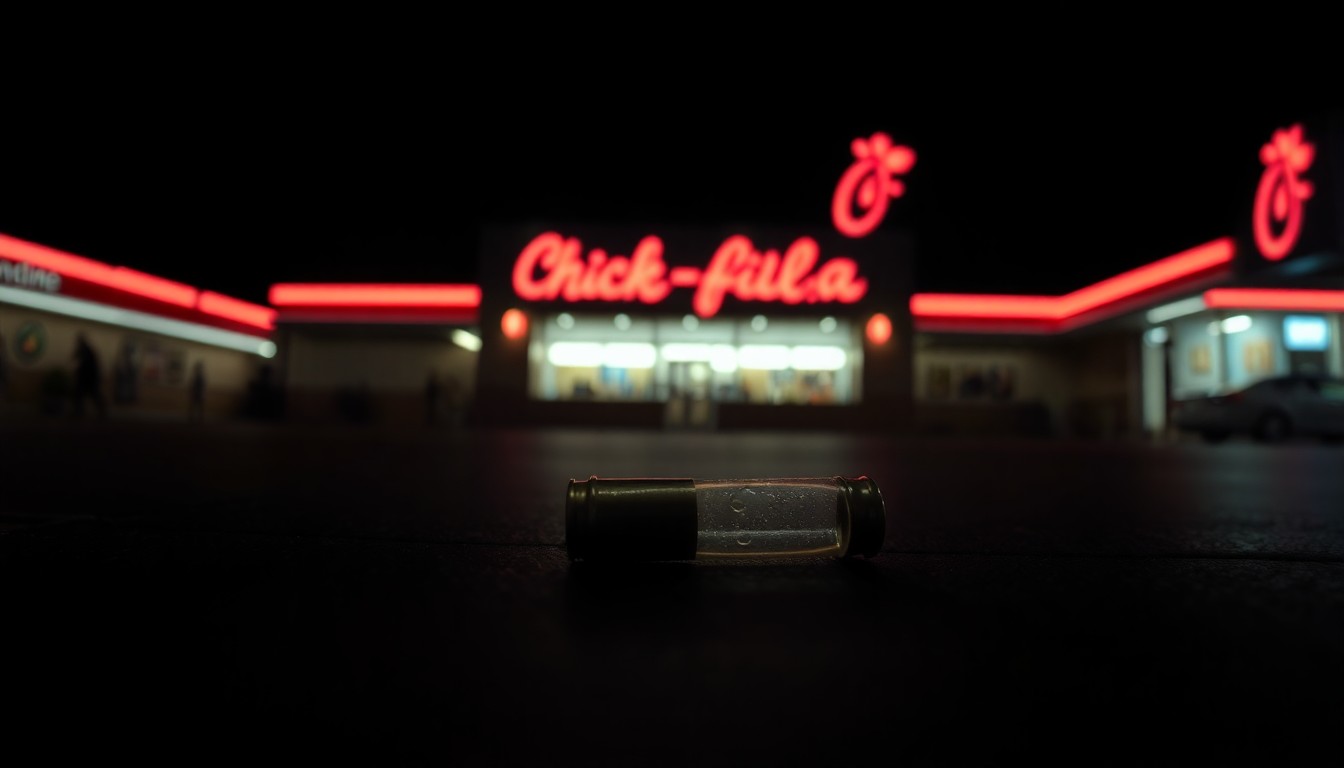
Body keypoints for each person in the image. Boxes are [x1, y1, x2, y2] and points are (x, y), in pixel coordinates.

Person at [72, 332, 106, 418]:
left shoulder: (85, 350)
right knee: (83, 395)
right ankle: (79, 412)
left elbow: (83, 363)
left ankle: (80, 412)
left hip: (88, 378)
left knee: (91, 395)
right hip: (88, 378)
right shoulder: (86, 350)